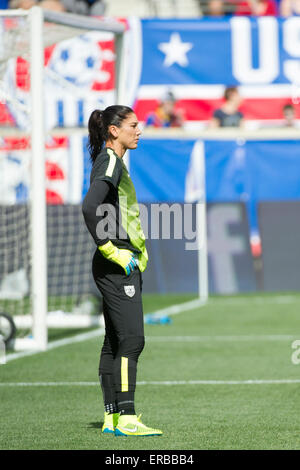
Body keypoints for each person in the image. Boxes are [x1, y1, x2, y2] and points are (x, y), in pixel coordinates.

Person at [82, 105, 162, 437]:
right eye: (132, 125)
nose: (138, 130)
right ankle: (127, 417)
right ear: (114, 130)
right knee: (132, 340)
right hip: (116, 265)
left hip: (112, 265)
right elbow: (89, 207)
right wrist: (112, 250)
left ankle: (112, 417)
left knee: (114, 341)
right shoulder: (111, 161)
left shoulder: (109, 160)